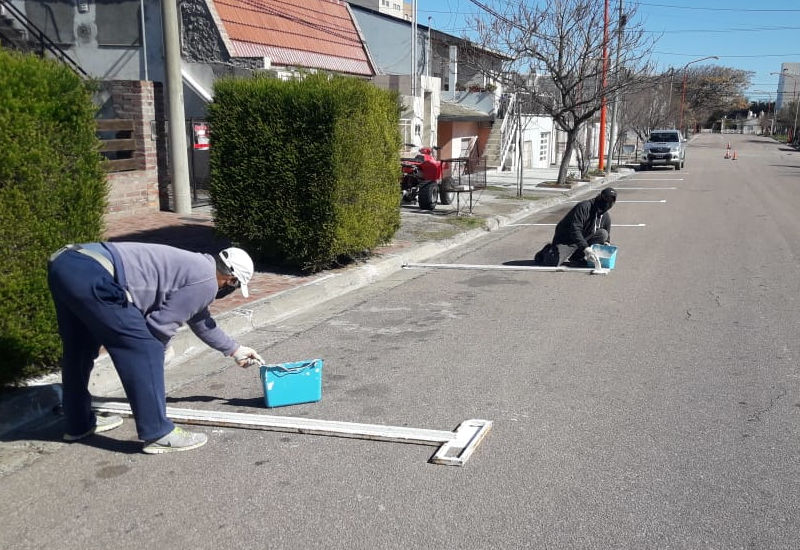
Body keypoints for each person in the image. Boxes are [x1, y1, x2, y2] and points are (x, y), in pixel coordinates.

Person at [47, 242, 265, 454]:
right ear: (231, 279)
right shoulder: (207, 281)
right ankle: (158, 433)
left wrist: (236, 350)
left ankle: (78, 423)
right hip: (94, 273)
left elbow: (200, 320)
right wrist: (160, 350)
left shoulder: (199, 266)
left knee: (79, 349)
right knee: (146, 348)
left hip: (67, 263)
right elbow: (159, 327)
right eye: (234, 286)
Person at [533, 187, 617, 268]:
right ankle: (547, 251)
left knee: (603, 234)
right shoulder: (584, 207)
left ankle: (576, 257)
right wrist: (586, 248)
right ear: (600, 196)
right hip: (567, 239)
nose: (608, 202)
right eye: (606, 198)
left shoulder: (605, 216)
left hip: (582, 238)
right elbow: (575, 230)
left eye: (611, 200)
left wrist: (606, 244)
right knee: (553, 262)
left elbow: (607, 236)